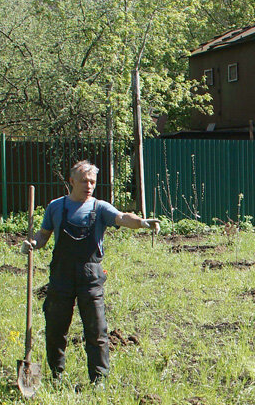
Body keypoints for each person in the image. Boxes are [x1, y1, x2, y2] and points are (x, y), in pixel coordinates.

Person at [20, 160, 159, 385]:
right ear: (72, 181)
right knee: (55, 328)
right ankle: (57, 376)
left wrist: (142, 223)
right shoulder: (56, 207)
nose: (89, 186)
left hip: (90, 276)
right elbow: (43, 235)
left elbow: (123, 218)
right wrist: (32, 244)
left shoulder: (100, 207)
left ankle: (99, 380)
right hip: (61, 276)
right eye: (84, 181)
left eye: (93, 182)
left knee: (96, 331)